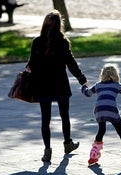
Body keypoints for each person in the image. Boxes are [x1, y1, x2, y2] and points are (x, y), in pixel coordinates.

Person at [26, 10, 87, 162]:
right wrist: (82, 79)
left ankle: (47, 151)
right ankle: (67, 143)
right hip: (60, 84)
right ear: (60, 25)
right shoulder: (63, 42)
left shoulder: (36, 42)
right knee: (64, 116)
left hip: (42, 85)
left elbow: (31, 64)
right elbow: (71, 64)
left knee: (45, 120)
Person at [81, 63, 121, 167]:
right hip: (111, 110)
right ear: (115, 75)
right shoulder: (117, 85)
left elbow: (87, 94)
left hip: (99, 110)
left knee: (101, 130)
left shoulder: (98, 85)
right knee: (120, 131)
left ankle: (93, 154)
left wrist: (84, 87)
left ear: (102, 75)